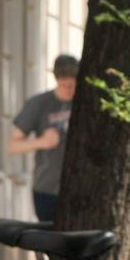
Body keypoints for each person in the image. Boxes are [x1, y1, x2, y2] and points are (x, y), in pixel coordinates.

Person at [8, 54, 78, 222]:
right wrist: (41, 142)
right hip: (47, 189)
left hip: (79, 188)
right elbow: (12, 146)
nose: (69, 90)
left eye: (72, 86)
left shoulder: (86, 103)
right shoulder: (39, 104)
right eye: (64, 86)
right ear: (56, 80)